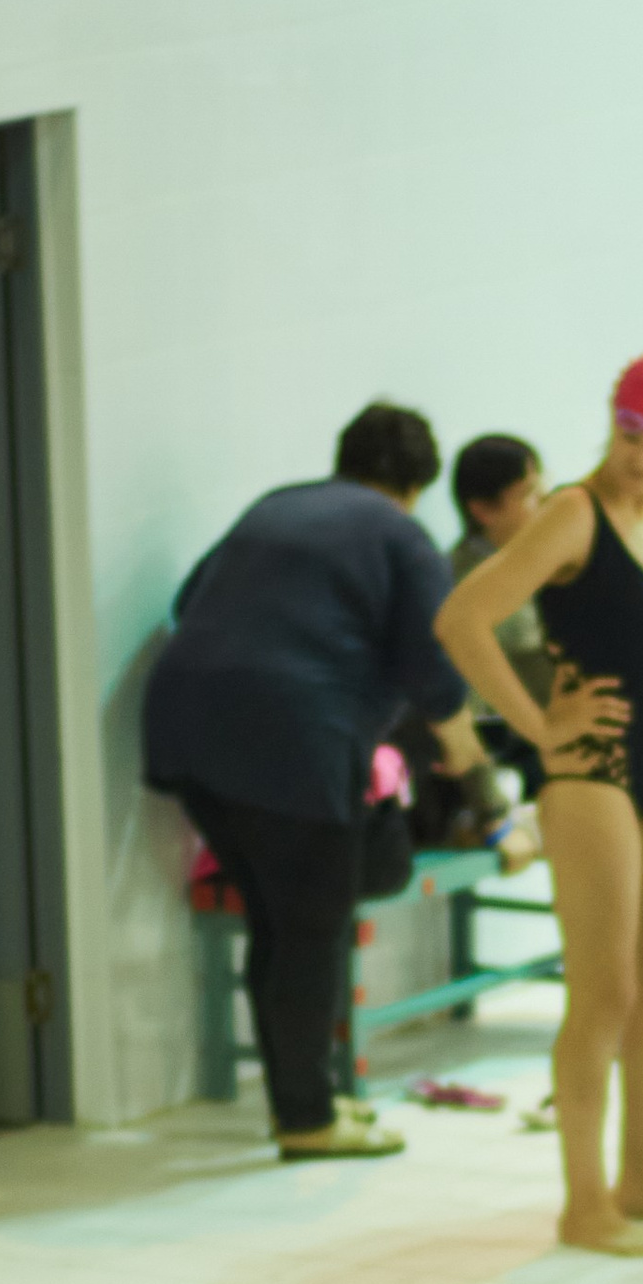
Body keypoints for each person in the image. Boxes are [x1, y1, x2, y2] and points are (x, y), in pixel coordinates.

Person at [437, 354, 643, 1257]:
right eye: (634, 436)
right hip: (589, 767)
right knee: (602, 989)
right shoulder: (573, 512)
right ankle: (583, 1200)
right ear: (612, 419)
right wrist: (536, 727)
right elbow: (462, 619)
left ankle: (641, 1176)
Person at [145, 401, 482, 1160]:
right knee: (309, 932)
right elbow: (435, 665)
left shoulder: (277, 506)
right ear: (417, 483)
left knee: (278, 926)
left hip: (184, 725)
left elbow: (187, 601)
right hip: (292, 743)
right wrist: (470, 760)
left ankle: (306, 1105)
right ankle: (308, 1120)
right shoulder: (401, 532)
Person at [448, 432, 553, 757]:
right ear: (483, 510)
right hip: (502, 746)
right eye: (530, 494)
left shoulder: (536, 564)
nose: (547, 504)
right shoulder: (465, 579)